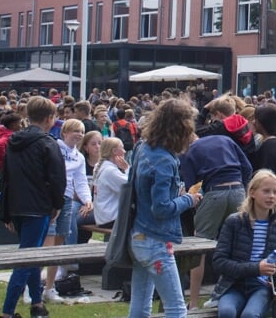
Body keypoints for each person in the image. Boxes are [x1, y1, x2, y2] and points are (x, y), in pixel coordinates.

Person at [129, 98, 204, 318]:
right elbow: (161, 208)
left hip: (139, 235)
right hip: (156, 241)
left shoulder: (143, 148)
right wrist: (188, 200)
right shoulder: (164, 160)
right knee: (176, 308)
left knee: (140, 304)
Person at [0, 96, 66, 318]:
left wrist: (6, 210)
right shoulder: (48, 143)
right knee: (26, 258)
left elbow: (5, 177)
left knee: (31, 254)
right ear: (49, 118)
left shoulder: (13, 141)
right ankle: (7, 312)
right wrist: (57, 204)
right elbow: (57, 179)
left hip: (17, 205)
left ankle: (37, 303)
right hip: (37, 206)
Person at [181, 129, 255, 309]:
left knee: (198, 247)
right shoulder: (224, 139)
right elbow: (248, 167)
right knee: (240, 245)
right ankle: (234, 293)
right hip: (238, 190)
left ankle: (193, 302)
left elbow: (191, 186)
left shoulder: (188, 151)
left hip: (214, 192)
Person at [212, 169, 276, 318]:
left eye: (275, 192)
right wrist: (256, 268)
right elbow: (219, 262)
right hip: (233, 285)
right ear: (252, 193)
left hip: (262, 287)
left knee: (250, 315)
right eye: (266, 191)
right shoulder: (234, 222)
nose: (272, 196)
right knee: (227, 312)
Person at [43, 118, 93, 301]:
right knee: (46, 246)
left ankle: (49, 287)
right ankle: (32, 286)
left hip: (66, 200)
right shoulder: (54, 148)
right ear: (64, 132)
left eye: (81, 131)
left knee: (58, 244)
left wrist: (87, 199)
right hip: (51, 200)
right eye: (75, 131)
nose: (78, 135)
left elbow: (80, 181)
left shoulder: (79, 157)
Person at [91, 137, 130, 229]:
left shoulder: (101, 166)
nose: (124, 152)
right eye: (122, 148)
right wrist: (127, 169)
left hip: (103, 217)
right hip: (111, 219)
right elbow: (130, 187)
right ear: (114, 151)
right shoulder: (110, 171)